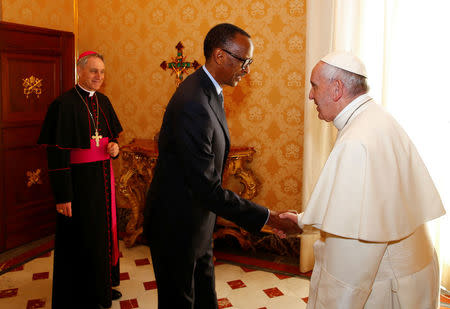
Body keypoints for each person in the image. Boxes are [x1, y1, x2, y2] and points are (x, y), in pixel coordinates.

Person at [143, 23, 301, 309]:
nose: (247, 70)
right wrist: (269, 218)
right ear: (220, 56)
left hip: (198, 221)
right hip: (176, 225)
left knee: (205, 297)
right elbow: (207, 187)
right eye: (244, 61)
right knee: (180, 302)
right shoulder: (193, 102)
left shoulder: (209, 90)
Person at [278, 51, 446, 308]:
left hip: (385, 289)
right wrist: (302, 222)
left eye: (314, 86)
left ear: (336, 88)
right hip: (411, 275)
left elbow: (351, 261)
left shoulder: (357, 141)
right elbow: (361, 210)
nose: (310, 95)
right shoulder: (375, 118)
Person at [38, 51, 123, 309]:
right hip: (77, 183)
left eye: (102, 72)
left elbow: (113, 138)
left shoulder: (104, 102)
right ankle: (80, 294)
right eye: (93, 71)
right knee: (82, 237)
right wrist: (63, 195)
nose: (99, 76)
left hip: (103, 179)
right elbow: (56, 153)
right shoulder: (63, 104)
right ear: (80, 71)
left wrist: (115, 148)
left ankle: (101, 288)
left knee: (102, 234)